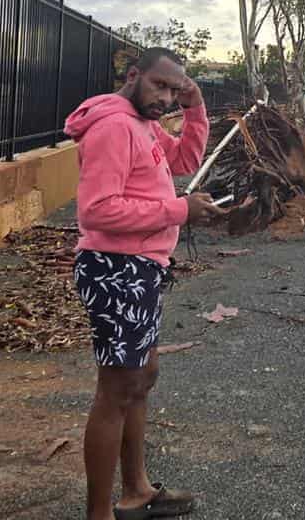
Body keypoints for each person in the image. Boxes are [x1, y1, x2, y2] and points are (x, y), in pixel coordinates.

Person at [63, 47, 228, 520]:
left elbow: (184, 159)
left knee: (141, 379)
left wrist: (195, 108)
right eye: (160, 86)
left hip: (142, 267)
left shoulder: (144, 122)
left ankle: (136, 490)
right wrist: (180, 210)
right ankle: (100, 514)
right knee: (116, 391)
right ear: (133, 75)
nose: (165, 98)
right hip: (117, 269)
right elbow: (97, 210)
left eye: (174, 91)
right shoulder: (115, 126)